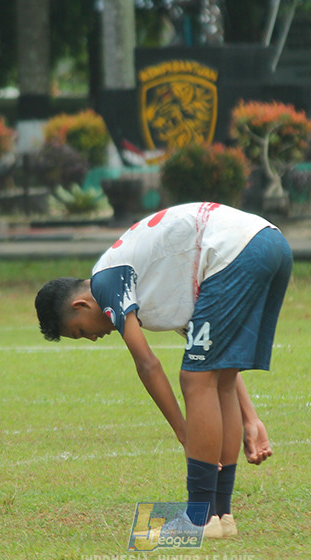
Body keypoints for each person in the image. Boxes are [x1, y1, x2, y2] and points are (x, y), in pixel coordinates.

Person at [35, 202, 292, 538]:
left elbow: (147, 363)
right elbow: (219, 363)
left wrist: (185, 434)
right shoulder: (151, 282)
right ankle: (221, 516)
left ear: (80, 305)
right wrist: (251, 419)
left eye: (81, 331)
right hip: (269, 244)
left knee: (194, 379)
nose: (93, 338)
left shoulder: (106, 281)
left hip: (234, 251)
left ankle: (198, 520)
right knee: (217, 376)